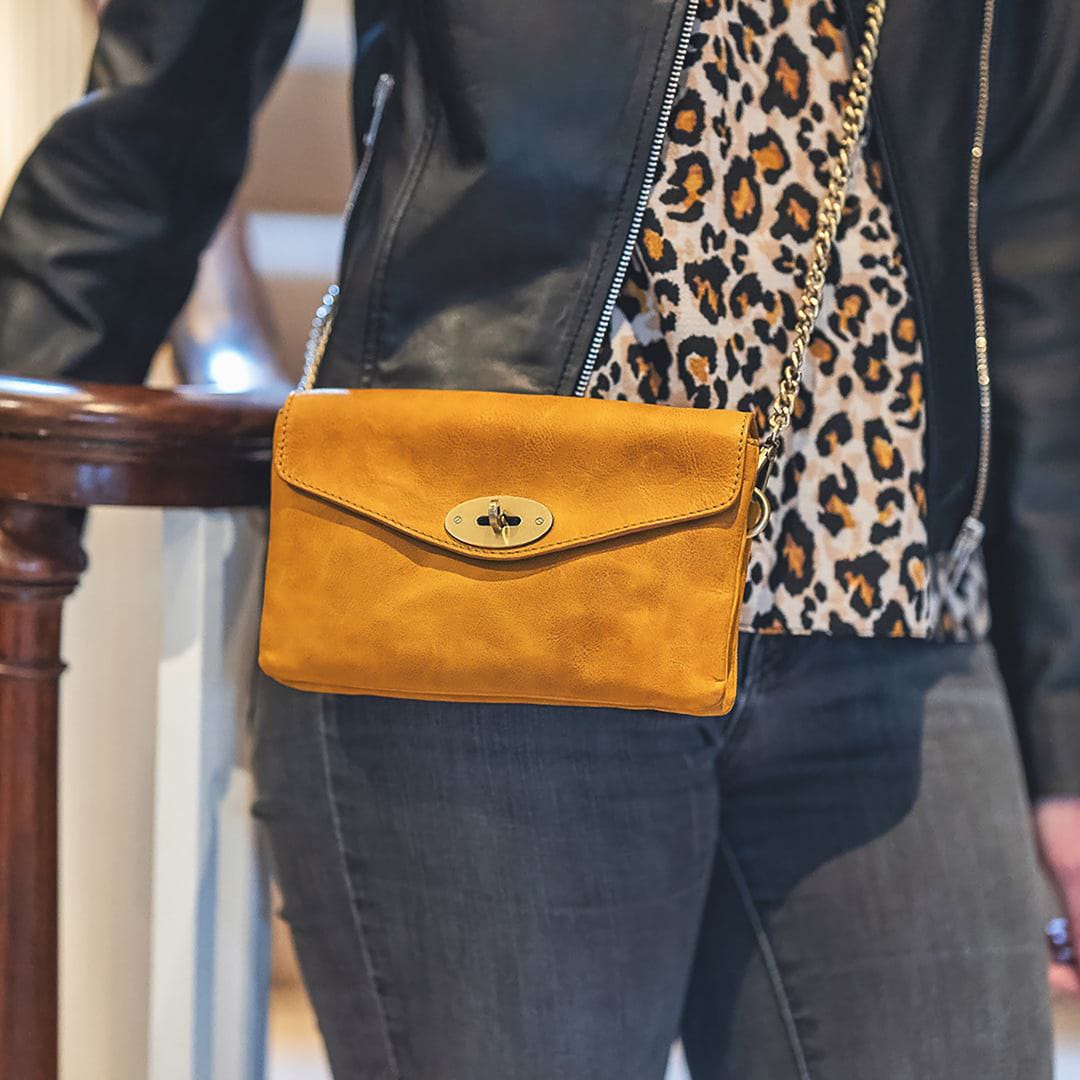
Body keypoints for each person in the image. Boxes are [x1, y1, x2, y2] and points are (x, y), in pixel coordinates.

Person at [1, 0, 1078, 1076]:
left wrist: (1065, 728)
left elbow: (1037, 237)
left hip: (889, 592)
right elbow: (157, 110)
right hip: (495, 570)